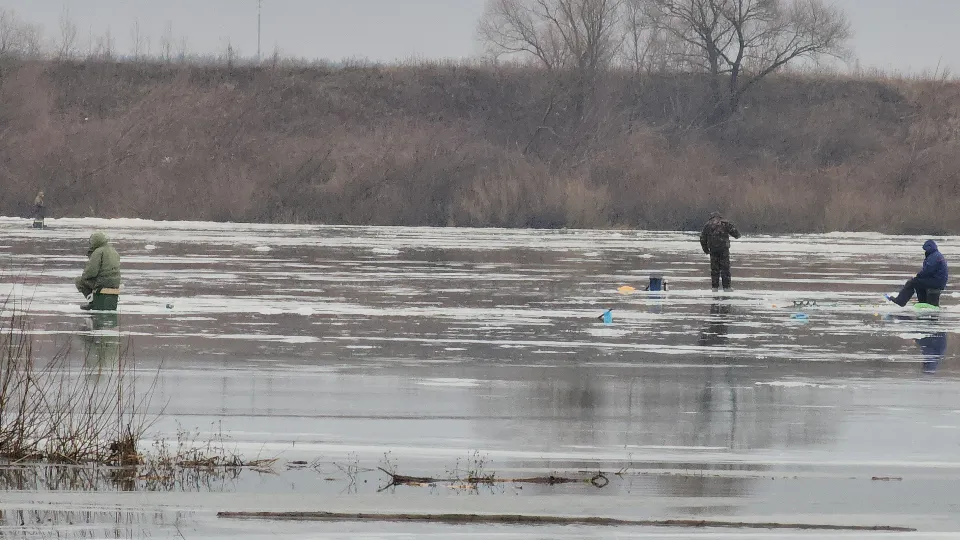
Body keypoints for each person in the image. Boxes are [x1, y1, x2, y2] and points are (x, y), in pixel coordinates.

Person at [886, 240, 948, 307]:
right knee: (918, 283)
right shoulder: (936, 255)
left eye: (925, 249)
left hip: (935, 281)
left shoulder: (934, 256)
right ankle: (923, 302)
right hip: (938, 281)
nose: (925, 251)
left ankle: (900, 301)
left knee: (912, 282)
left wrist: (918, 276)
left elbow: (928, 270)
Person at [75, 231, 121, 310]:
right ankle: (96, 300)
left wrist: (85, 277)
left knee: (79, 281)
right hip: (115, 283)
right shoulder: (113, 251)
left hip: (102, 283)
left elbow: (92, 271)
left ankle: (92, 302)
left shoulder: (98, 252)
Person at [700, 211, 741, 292]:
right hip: (724, 249)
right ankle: (727, 287)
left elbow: (702, 238)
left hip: (713, 250)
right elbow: (737, 234)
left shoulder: (707, 225)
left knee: (714, 269)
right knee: (725, 269)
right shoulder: (725, 223)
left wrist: (706, 250)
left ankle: (714, 287)